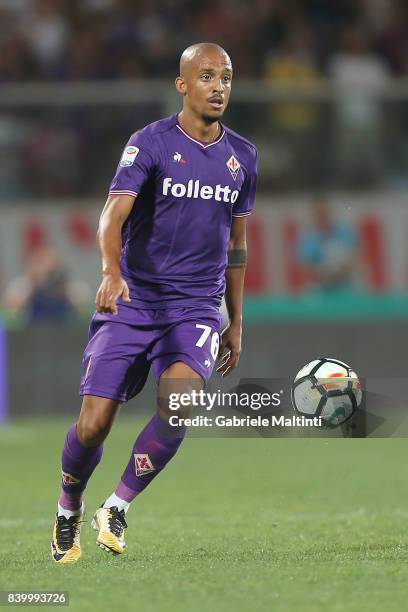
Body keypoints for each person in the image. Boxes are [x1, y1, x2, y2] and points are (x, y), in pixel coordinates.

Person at [51, 42, 258, 563]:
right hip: (134, 298)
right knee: (94, 423)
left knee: (181, 403)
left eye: (227, 77)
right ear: (183, 85)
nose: (219, 86)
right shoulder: (150, 143)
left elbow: (237, 244)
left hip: (195, 305)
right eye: (207, 76)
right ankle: (68, 508)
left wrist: (235, 318)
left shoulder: (243, 158)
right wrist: (110, 272)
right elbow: (111, 217)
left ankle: (117, 504)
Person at [297, 196, 358, 292]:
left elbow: (356, 257)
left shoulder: (345, 233)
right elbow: (305, 268)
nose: (322, 217)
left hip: (345, 286)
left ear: (330, 212)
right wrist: (324, 276)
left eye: (324, 213)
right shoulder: (308, 239)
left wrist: (340, 273)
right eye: (319, 214)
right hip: (319, 288)